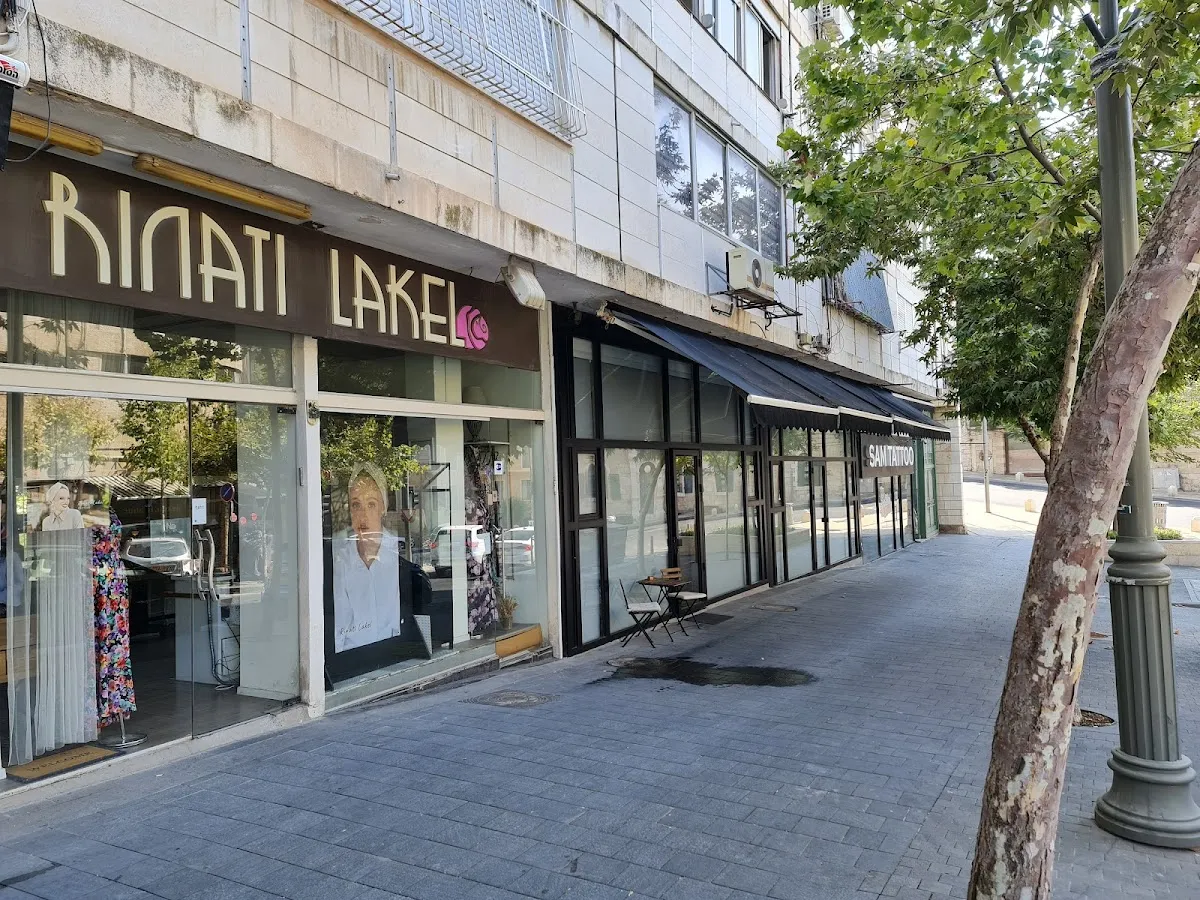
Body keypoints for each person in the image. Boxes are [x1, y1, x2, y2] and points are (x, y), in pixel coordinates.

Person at [331, 465, 429, 654]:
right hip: (354, 659)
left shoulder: (398, 554)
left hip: (395, 655)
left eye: (371, 504)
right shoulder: (341, 561)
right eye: (356, 505)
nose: (363, 514)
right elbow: (340, 627)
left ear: (383, 508)